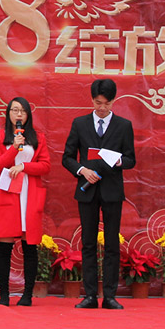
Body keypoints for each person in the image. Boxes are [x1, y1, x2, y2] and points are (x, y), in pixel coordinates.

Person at [62, 79, 135, 310]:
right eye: (98, 103)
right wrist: (82, 170)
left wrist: (118, 160)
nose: (102, 108)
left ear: (113, 101)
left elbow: (131, 159)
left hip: (112, 191)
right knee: (88, 243)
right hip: (87, 189)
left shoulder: (123, 125)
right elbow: (67, 157)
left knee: (112, 243)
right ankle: (90, 295)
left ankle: (110, 296)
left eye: (107, 103)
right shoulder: (80, 124)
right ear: (92, 100)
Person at [0, 97, 51, 306]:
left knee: (29, 246)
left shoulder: (38, 137)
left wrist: (24, 166)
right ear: (8, 113)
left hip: (29, 192)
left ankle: (27, 295)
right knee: (5, 246)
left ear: (28, 115)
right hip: (8, 192)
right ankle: (4, 295)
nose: (19, 114)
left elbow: (45, 166)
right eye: (15, 110)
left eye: (23, 111)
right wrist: (13, 149)